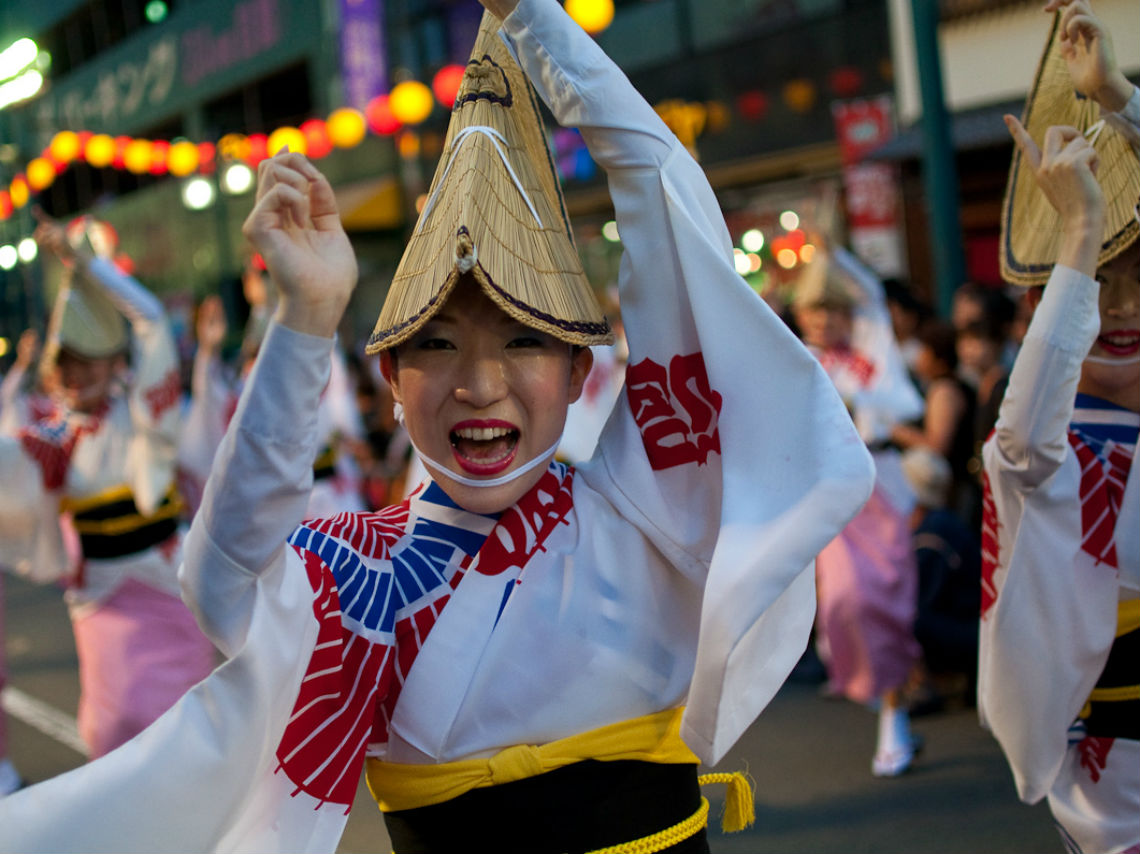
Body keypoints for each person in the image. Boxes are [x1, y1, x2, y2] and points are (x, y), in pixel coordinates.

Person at [0, 1, 875, 851]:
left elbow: (660, 193)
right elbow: (225, 579)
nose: (481, 384)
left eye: (524, 341)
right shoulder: (358, 571)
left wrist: (535, 20)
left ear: (580, 373)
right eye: (439, 345)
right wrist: (306, 318)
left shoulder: (647, 503)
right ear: (391, 377)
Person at [979, 1, 1139, 852]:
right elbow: (1021, 450)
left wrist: (1119, 98)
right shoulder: (1057, 440)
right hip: (1116, 787)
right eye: (1097, 280)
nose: (1122, 308)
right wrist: (1079, 228)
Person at [0, 212, 217, 760]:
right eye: (67, 365)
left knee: (186, 731)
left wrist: (88, 268)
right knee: (113, 735)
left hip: (169, 584)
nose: (78, 376)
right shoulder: (50, 441)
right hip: (100, 601)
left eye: (90, 362)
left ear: (116, 362)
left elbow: (149, 322)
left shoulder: (141, 415)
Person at [791, 244, 927, 777]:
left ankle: (893, 719)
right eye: (814, 310)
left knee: (891, 602)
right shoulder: (799, 362)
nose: (824, 319)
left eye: (833, 308)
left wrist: (836, 258)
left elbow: (871, 295)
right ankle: (880, 692)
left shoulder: (875, 351)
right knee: (845, 601)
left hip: (886, 491)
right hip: (834, 498)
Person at [900, 447, 980, 712]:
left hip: (969, 633)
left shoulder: (933, 532)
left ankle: (925, 685)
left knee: (901, 613)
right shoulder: (939, 522)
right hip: (971, 628)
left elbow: (923, 598)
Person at [891, 318, 978, 525]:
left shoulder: (944, 391)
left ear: (937, 358)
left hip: (948, 492)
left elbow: (937, 444)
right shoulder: (946, 386)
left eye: (922, 351)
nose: (917, 357)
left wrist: (895, 431)